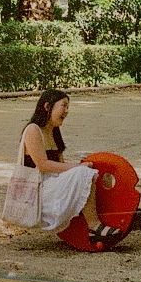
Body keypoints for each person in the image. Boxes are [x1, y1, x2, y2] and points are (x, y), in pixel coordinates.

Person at [18, 89, 119, 245]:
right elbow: (43, 165)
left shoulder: (53, 132)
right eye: (63, 106)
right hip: (37, 192)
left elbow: (60, 165)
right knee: (83, 172)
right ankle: (94, 226)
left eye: (67, 107)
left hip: (50, 185)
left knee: (86, 172)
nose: (67, 111)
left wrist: (78, 169)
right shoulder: (33, 130)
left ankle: (94, 219)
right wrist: (78, 169)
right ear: (47, 106)